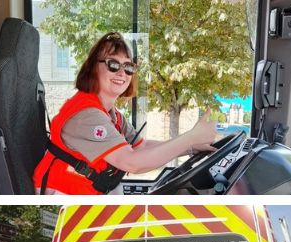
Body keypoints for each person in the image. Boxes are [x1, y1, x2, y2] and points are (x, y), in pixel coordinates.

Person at [32, 33, 216, 194]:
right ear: (92, 68)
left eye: (128, 67)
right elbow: (132, 163)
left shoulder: (112, 115)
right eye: (113, 64)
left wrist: (190, 147)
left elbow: (140, 148)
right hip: (66, 197)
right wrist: (190, 137)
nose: (122, 72)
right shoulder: (86, 116)